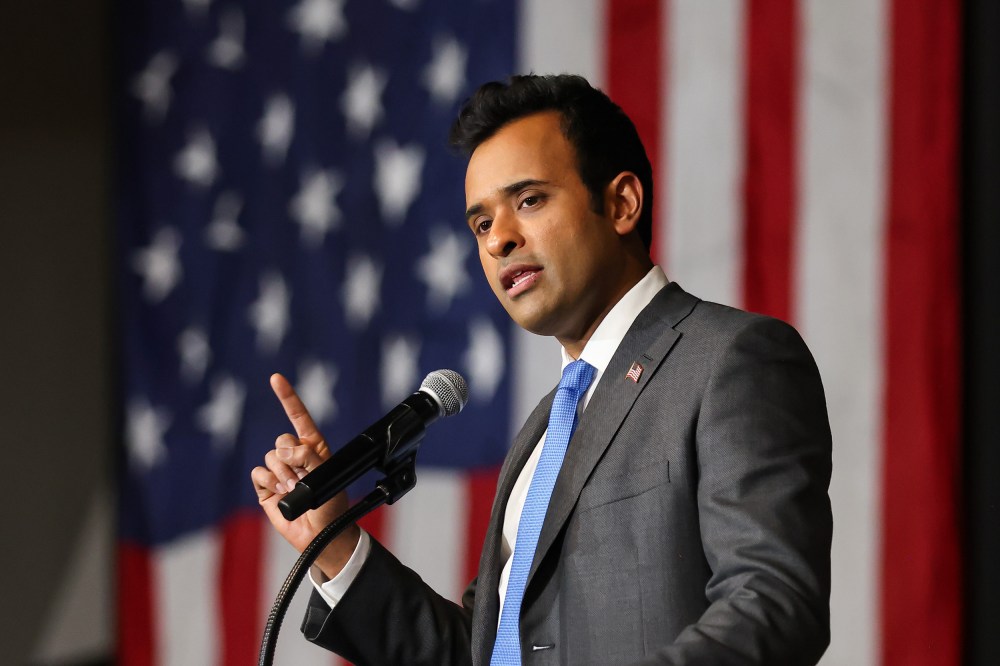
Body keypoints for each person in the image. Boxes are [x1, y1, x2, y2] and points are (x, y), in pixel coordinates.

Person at [251, 74, 833, 665]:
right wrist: (331, 540)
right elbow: (481, 653)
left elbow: (774, 602)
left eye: (528, 200)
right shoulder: (543, 432)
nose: (500, 238)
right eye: (481, 224)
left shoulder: (730, 360)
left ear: (620, 203)